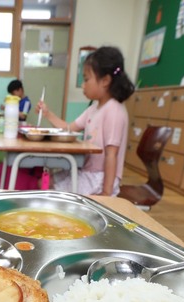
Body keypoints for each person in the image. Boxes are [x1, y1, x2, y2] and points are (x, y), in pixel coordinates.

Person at [35, 46, 135, 196]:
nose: (83, 85)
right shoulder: (93, 109)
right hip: (85, 171)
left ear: (105, 80)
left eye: (86, 79)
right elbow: (69, 128)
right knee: (44, 182)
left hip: (99, 178)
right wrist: (47, 113)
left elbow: (111, 155)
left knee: (50, 190)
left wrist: (106, 195)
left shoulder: (114, 110)